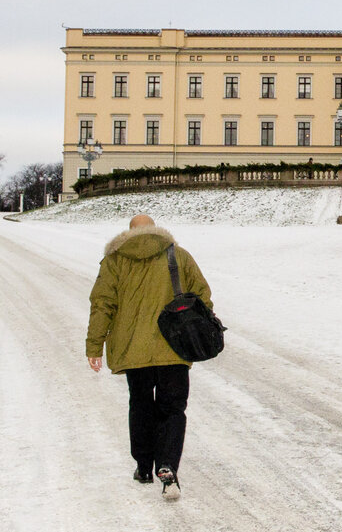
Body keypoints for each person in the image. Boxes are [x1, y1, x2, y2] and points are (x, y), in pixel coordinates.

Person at [87, 214, 214, 500]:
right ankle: (167, 464)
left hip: (134, 348)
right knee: (172, 408)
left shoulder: (114, 260)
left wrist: (94, 346)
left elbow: (102, 304)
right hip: (174, 347)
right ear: (155, 229)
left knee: (141, 404)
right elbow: (202, 295)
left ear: (128, 232)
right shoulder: (178, 255)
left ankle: (144, 467)